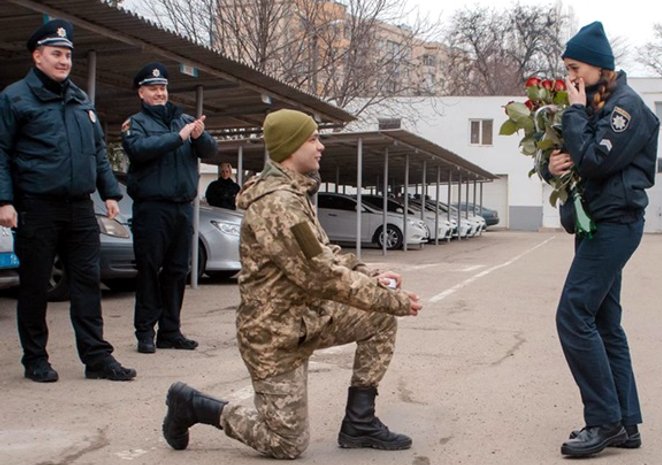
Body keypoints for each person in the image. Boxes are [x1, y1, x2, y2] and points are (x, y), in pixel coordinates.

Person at [161, 109, 423, 459]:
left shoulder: (295, 194)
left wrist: (370, 274)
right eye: (313, 139)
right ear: (289, 147)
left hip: (308, 318)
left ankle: (360, 422)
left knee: (378, 321)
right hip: (275, 337)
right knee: (286, 443)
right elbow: (320, 275)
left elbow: (325, 253)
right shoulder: (278, 205)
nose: (321, 147)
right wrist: (394, 301)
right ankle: (194, 406)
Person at [542, 21, 659, 457]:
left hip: (616, 224)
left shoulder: (627, 109)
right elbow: (572, 158)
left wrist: (573, 113)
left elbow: (592, 160)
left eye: (575, 68)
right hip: (598, 222)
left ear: (599, 66)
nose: (570, 78)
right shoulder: (596, 103)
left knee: (572, 314)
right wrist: (551, 165)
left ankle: (604, 421)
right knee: (605, 323)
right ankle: (625, 423)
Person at [0, 19, 136, 382]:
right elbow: (1, 151)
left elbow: (97, 151)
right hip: (36, 205)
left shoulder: (80, 101)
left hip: (79, 207)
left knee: (87, 283)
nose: (63, 61)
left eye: (67, 55)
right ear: (37, 56)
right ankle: (35, 359)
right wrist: (4, 200)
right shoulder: (14, 98)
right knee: (35, 285)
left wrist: (109, 192)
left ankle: (96, 358)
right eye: (56, 54)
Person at [122, 62, 217, 354]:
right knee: (149, 269)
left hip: (181, 207)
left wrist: (199, 135)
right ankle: (145, 332)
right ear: (141, 93)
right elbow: (140, 150)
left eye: (162, 88)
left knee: (177, 270)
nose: (160, 93)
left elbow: (211, 151)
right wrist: (179, 137)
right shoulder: (135, 123)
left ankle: (170, 330)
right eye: (153, 89)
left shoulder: (184, 119)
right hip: (152, 208)